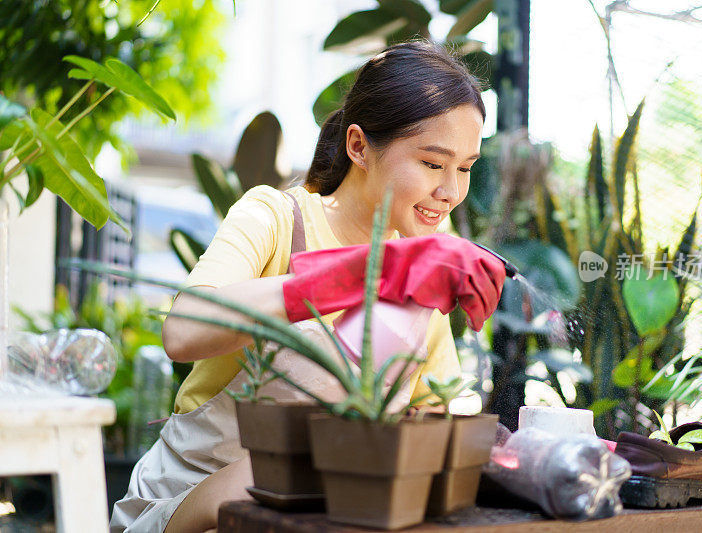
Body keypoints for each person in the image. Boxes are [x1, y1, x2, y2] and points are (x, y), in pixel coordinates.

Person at [109, 40, 506, 533]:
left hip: (323, 512)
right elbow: (185, 332)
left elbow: (431, 409)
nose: (451, 191)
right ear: (359, 146)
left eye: (465, 168)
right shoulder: (276, 218)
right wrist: (371, 272)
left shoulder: (425, 259)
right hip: (194, 504)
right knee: (285, 468)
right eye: (432, 163)